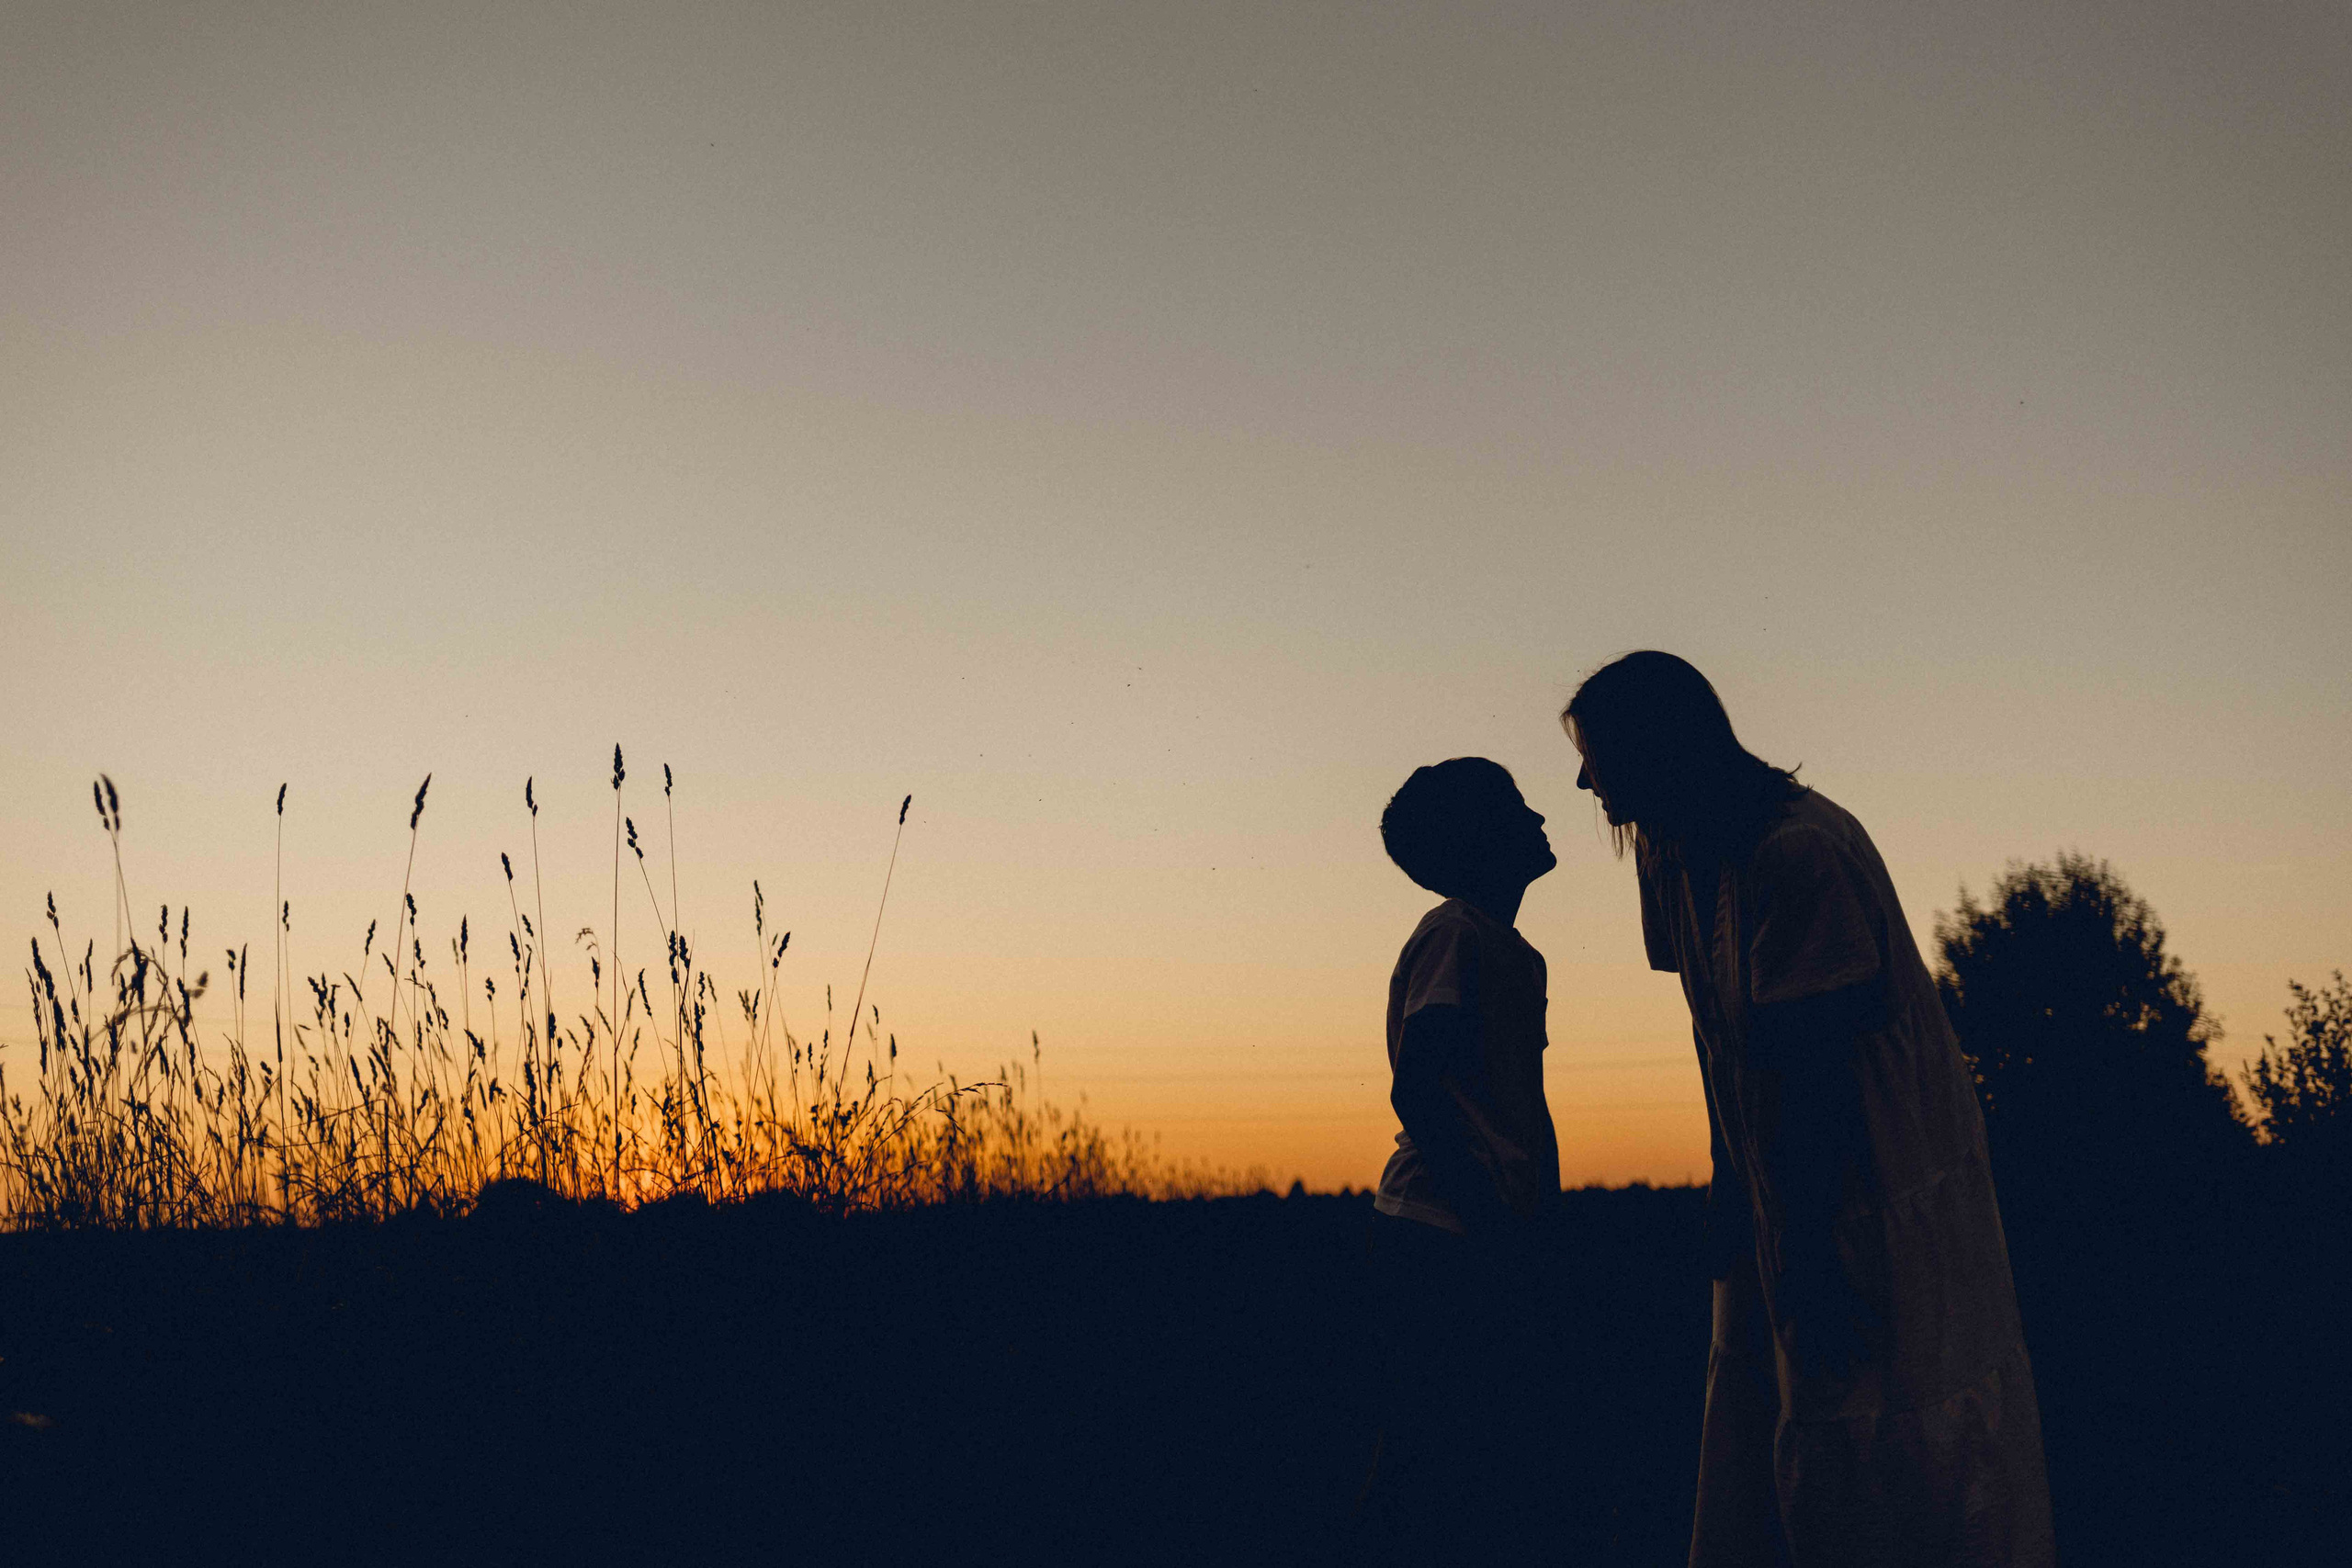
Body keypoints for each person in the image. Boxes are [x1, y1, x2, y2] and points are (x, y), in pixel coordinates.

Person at [1563, 651, 2053, 1568]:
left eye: (1598, 754)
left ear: (1658, 747)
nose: (1583, 778)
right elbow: (1717, 1038)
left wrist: (1815, 1256)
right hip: (1778, 1186)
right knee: (1782, 1438)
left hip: (1868, 1188)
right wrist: (1728, 1183)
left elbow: (1815, 1075)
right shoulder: (1672, 853)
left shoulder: (1799, 855)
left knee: (1881, 1426)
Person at [1356, 757, 1565, 1561]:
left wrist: (1538, 1209)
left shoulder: (1515, 951)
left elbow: (1517, 1101)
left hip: (1480, 1226)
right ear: (1479, 842)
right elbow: (1418, 1089)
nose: (1540, 818)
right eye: (1516, 808)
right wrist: (1488, 1219)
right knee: (1428, 1448)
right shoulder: (1455, 934)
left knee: (1475, 1454)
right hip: (1436, 1231)